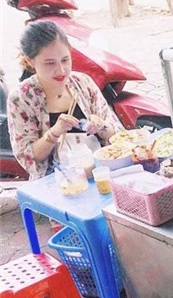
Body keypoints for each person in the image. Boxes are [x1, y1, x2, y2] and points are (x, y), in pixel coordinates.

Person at [7, 20, 123, 180]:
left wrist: (101, 126)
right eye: (49, 63)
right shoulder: (21, 97)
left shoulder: (83, 83)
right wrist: (55, 131)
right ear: (29, 61)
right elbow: (29, 157)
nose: (61, 70)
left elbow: (117, 135)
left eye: (65, 60)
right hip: (58, 180)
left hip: (100, 173)